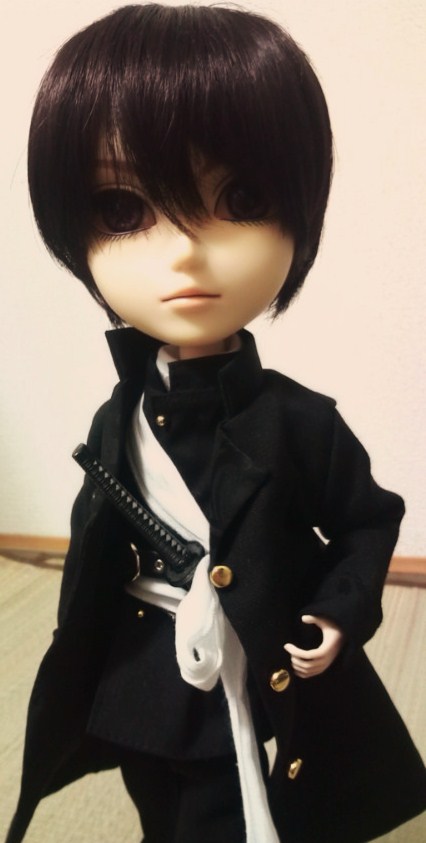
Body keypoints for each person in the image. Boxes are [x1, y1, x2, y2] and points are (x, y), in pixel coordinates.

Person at [7, 4, 425, 843]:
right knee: (156, 801)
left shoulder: (299, 422)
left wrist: (339, 610)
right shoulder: (119, 415)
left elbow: (367, 518)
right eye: (123, 209)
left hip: (242, 658)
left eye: (241, 197)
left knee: (224, 810)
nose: (185, 252)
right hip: (141, 663)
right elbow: (95, 545)